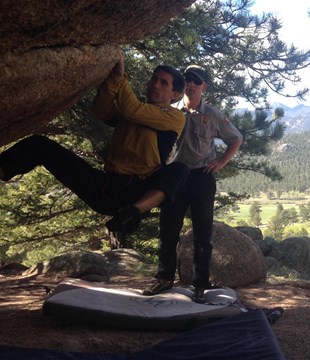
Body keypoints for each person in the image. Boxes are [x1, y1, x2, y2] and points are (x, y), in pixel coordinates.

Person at [0, 51, 189, 234]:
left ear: (175, 95)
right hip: (104, 188)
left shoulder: (174, 117)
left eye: (164, 83)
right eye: (154, 79)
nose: (155, 85)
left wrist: (120, 77)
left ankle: (134, 212)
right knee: (39, 145)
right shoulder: (135, 110)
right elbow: (100, 111)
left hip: (135, 192)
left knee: (180, 169)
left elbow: (132, 110)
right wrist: (114, 82)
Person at [142, 65, 243, 303]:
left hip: (201, 177)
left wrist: (220, 162)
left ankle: (200, 285)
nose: (191, 84)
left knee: (202, 234)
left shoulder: (214, 115)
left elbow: (236, 138)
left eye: (196, 81)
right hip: (174, 177)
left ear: (204, 87)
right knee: (167, 231)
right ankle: (163, 279)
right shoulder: (170, 110)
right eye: (187, 79)